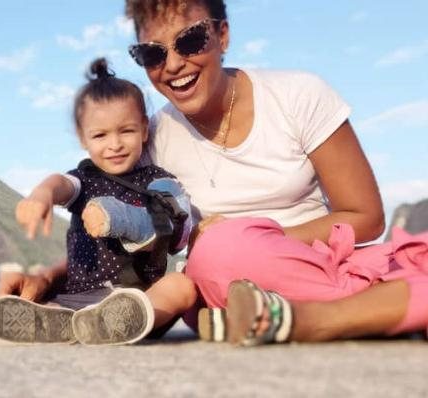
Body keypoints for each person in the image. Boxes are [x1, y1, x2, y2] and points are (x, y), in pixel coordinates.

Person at [121, 0, 428, 345]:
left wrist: (266, 236)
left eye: (190, 40)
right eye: (152, 54)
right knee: (220, 251)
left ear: (222, 35)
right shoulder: (153, 138)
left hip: (327, 265)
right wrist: (51, 279)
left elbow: (367, 217)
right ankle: (374, 309)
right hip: (225, 277)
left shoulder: (298, 95)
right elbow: (116, 228)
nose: (174, 64)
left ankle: (288, 318)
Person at [0, 58, 197, 345]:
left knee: (181, 286)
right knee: (60, 308)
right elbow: (61, 184)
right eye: (100, 135)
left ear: (145, 129)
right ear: (84, 138)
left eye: (127, 131)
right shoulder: (85, 179)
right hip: (81, 297)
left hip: (139, 301)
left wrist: (129, 218)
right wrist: (43, 193)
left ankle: (116, 323)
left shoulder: (155, 180)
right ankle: (59, 321)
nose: (115, 144)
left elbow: (173, 219)